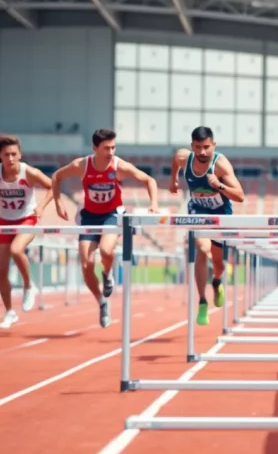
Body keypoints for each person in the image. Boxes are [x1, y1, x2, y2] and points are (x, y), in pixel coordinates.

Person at [52, 129, 159, 328]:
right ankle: (102, 302)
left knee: (106, 250)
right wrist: (58, 203)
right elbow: (57, 176)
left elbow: (149, 180)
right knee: (86, 264)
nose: (111, 152)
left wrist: (154, 204)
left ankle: (108, 273)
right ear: (95, 148)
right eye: (106, 148)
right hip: (90, 216)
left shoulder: (118, 165)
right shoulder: (82, 165)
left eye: (113, 147)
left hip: (111, 214)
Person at [0, 134, 55, 329]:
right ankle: (9, 312)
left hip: (27, 219)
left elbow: (52, 187)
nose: (10, 158)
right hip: (4, 222)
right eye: (6, 155)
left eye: (13, 154)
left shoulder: (29, 172)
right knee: (1, 272)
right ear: (0, 156)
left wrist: (42, 207)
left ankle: (29, 285)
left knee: (16, 250)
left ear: (20, 155)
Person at [169, 126, 245, 326]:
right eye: (197, 147)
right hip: (198, 210)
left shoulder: (220, 165)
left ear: (214, 145)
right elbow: (176, 160)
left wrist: (219, 185)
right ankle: (202, 301)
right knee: (202, 248)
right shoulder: (185, 157)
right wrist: (173, 181)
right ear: (191, 146)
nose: (202, 152)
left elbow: (240, 196)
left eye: (206, 147)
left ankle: (217, 281)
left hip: (220, 213)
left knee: (219, 264)